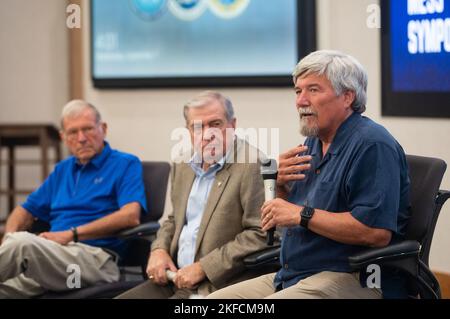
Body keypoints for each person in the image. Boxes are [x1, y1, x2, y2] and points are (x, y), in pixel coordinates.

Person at [208, 50, 411, 299]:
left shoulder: (373, 145)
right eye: (298, 91)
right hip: (294, 273)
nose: (301, 101)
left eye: (313, 90)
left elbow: (375, 233)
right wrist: (279, 184)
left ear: (347, 97)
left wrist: (300, 214)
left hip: (355, 275)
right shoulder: (312, 143)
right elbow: (289, 215)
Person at [118, 91, 268, 299]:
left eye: (215, 124)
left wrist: (204, 267)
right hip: (173, 278)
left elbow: (260, 234)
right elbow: (174, 220)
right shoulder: (183, 164)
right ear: (188, 131)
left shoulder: (253, 164)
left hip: (217, 284)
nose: (207, 134)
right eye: (197, 127)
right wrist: (159, 250)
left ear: (232, 125)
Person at [0, 100, 147, 298]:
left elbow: (131, 216)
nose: (81, 138)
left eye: (87, 129)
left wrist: (72, 235)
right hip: (52, 258)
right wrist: (8, 239)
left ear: (103, 128)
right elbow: (24, 210)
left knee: (22, 244)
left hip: (95, 260)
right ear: (63, 137)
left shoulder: (125, 163)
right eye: (72, 132)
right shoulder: (63, 170)